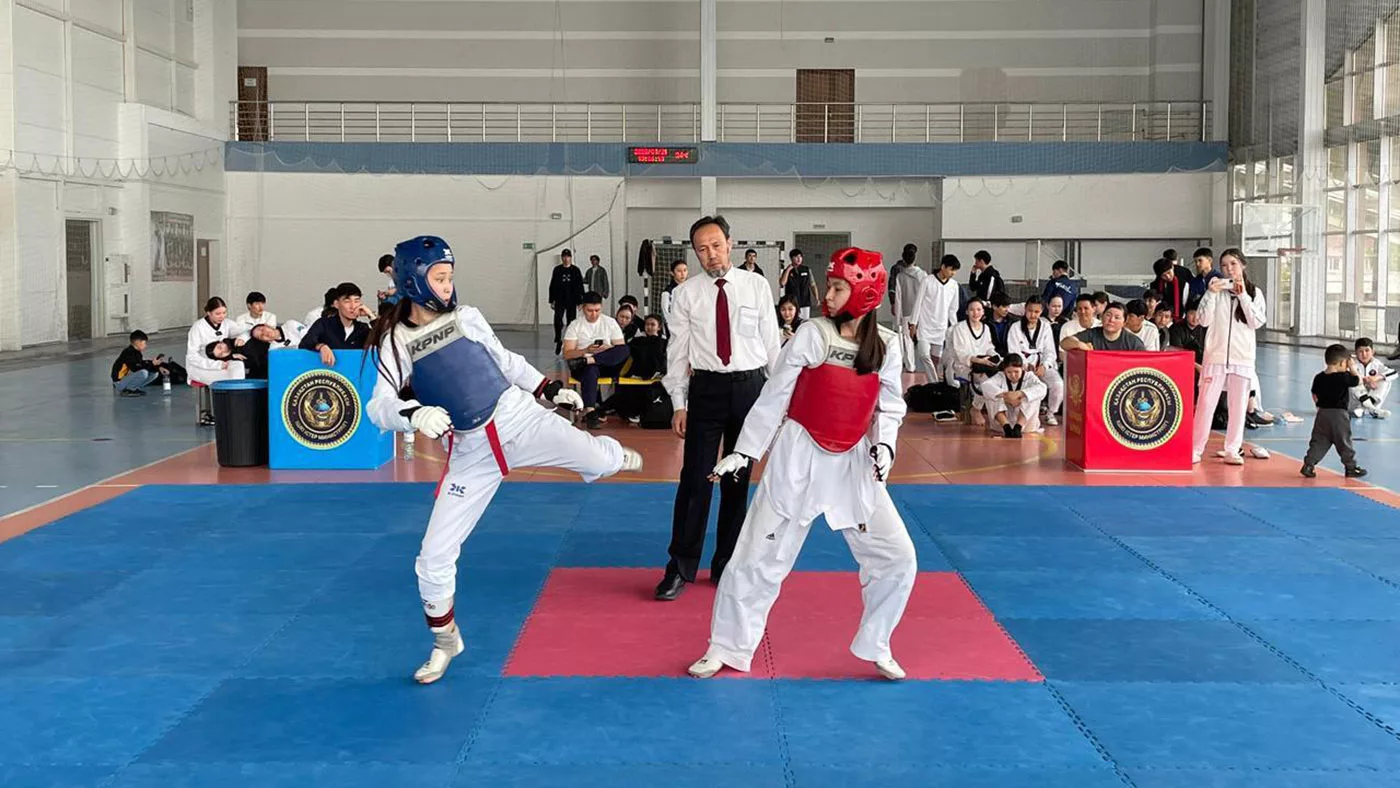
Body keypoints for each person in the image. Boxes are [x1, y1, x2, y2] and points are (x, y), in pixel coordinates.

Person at [365, 235, 643, 684]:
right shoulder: (397, 342)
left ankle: (610, 455)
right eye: (439, 278)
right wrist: (413, 414)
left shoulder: (467, 317)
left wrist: (548, 388)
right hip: (471, 453)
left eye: (450, 276)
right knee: (432, 558)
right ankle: (445, 641)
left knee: (599, 460)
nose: (448, 285)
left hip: (520, 420)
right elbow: (377, 406)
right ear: (414, 281)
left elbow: (507, 362)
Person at [686, 247, 915, 682]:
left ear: (865, 294)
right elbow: (775, 395)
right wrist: (746, 451)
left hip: (853, 465)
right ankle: (726, 647)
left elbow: (890, 406)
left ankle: (877, 642)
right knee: (756, 559)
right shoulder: (813, 334)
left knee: (897, 556)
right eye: (830, 286)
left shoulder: (887, 344)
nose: (827, 296)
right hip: (799, 457)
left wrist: (885, 447)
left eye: (838, 288)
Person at [657, 215, 781, 601]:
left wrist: (779, 400)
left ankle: (727, 564)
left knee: (737, 482)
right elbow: (677, 352)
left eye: (715, 245)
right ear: (695, 254)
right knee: (695, 479)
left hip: (750, 389)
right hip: (706, 390)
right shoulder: (686, 294)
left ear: (730, 243)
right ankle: (680, 566)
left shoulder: (756, 285)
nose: (710, 254)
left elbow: (772, 344)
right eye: (702, 249)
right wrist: (678, 403)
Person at [1190, 248, 1266, 465]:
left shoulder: (1254, 292)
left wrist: (1242, 296)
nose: (1229, 269)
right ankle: (1195, 449)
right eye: (1224, 265)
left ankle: (1232, 449)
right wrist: (1210, 293)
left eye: (1233, 264)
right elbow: (1203, 320)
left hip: (1242, 359)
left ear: (1242, 265)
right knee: (1205, 404)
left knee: (1238, 406)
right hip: (1215, 357)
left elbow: (1256, 322)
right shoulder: (1216, 290)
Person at [563, 292, 630, 429]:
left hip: (605, 363)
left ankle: (591, 360)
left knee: (625, 349)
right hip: (581, 365)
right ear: (583, 308)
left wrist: (608, 348)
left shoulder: (610, 322)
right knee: (590, 370)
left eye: (597, 310)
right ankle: (590, 411)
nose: (594, 314)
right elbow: (568, 354)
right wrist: (585, 350)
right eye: (590, 310)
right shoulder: (575, 325)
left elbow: (620, 349)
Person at [1302, 344, 1367, 479]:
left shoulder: (1319, 377)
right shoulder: (1344, 376)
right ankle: (1351, 467)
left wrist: (1318, 406)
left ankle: (1309, 464)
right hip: (1339, 415)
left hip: (1322, 414)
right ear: (1343, 363)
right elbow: (1358, 381)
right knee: (1344, 441)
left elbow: (1314, 394)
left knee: (1319, 441)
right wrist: (1353, 369)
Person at [186, 297, 245, 425]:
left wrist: (242, 338)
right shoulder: (198, 327)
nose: (222, 316)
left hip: (220, 363)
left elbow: (242, 330)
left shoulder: (227, 323)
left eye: (224, 313)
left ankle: (237, 406)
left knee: (238, 365)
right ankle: (227, 411)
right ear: (209, 312)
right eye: (218, 314)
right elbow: (192, 356)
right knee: (228, 377)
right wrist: (216, 364)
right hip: (200, 366)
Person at [1007, 296, 1064, 426]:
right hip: (1022, 366)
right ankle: (1025, 414)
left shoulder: (1045, 327)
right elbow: (1013, 351)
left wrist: (1044, 365)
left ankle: (1051, 413)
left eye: (1036, 312)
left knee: (1058, 384)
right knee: (1028, 386)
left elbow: (1050, 351)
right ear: (1025, 310)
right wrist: (1025, 364)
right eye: (1030, 311)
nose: (1033, 315)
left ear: (1042, 311)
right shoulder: (1015, 327)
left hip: (1041, 363)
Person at [909, 254, 961, 382]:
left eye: (955, 270)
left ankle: (934, 382)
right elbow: (918, 303)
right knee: (923, 354)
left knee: (936, 359)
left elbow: (953, 309)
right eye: (951, 269)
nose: (953, 273)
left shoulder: (954, 285)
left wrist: (955, 327)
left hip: (941, 327)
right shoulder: (927, 281)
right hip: (925, 326)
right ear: (943, 267)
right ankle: (934, 382)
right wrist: (913, 323)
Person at [299, 282, 371, 367]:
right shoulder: (324, 324)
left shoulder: (363, 329)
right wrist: (321, 346)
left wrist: (371, 316)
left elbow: (382, 342)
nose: (353, 306)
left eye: (356, 301)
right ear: (336, 304)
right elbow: (305, 343)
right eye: (347, 301)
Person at [981, 353, 1047, 438]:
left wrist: (1020, 394)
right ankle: (1007, 427)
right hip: (1000, 427)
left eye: (1016, 371)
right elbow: (985, 386)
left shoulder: (1029, 376)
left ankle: (1018, 427)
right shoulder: (1000, 376)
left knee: (1031, 396)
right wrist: (1006, 395)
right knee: (993, 395)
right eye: (1009, 372)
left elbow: (1042, 388)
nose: (1012, 375)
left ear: (1022, 368)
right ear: (1004, 370)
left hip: (1026, 426)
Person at [890, 244, 926, 372]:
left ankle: (910, 365)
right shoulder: (923, 275)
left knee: (907, 338)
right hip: (921, 312)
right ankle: (926, 363)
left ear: (903, 259)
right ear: (915, 258)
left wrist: (897, 318)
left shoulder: (900, 276)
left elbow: (898, 297)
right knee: (922, 337)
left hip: (906, 312)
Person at [1060, 303, 1146, 352]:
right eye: (1108, 315)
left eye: (1117, 317)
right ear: (1102, 316)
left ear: (1124, 321)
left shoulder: (1134, 343)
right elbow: (1064, 343)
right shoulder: (1092, 334)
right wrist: (1080, 345)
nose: (1111, 320)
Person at [548, 249, 585, 354]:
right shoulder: (557, 270)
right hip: (560, 299)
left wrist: (580, 301)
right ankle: (558, 338)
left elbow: (579, 286)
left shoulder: (575, 270)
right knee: (558, 318)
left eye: (568, 257)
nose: (566, 259)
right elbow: (553, 285)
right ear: (562, 258)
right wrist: (552, 300)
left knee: (571, 321)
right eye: (564, 257)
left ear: (570, 258)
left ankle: (569, 340)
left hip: (572, 300)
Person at [111, 330, 170, 397]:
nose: (146, 345)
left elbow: (141, 364)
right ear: (138, 343)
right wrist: (152, 363)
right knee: (143, 373)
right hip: (119, 382)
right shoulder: (128, 352)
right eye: (144, 343)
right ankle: (129, 390)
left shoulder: (137, 352)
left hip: (126, 380)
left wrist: (158, 367)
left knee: (154, 373)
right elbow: (136, 368)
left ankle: (133, 388)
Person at [1351, 337, 1395, 418]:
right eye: (1360, 351)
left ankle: (1366, 409)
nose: (1364, 354)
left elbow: (1394, 373)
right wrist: (1365, 380)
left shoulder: (1376, 363)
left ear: (1372, 352)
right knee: (1352, 380)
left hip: (1369, 401)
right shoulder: (1352, 362)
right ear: (1355, 352)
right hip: (1355, 403)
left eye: (1367, 350)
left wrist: (1376, 378)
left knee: (1386, 380)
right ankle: (1370, 409)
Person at [779, 248, 819, 319]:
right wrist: (788, 270)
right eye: (796, 257)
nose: (799, 259)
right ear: (791, 258)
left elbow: (813, 285)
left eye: (800, 257)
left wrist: (816, 298)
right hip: (792, 302)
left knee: (805, 321)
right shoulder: (787, 271)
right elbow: (782, 283)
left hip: (805, 301)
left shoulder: (806, 269)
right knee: (793, 321)